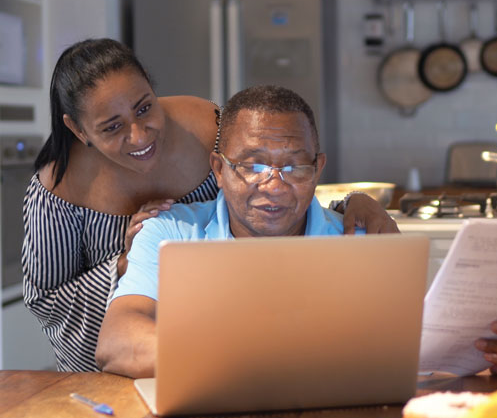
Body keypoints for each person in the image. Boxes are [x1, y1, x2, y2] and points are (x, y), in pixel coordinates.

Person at [22, 38, 396, 373]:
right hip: (120, 363)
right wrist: (126, 264)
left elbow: (278, 184)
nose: (138, 135)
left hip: (202, 355)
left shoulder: (209, 127)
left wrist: (353, 204)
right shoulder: (59, 190)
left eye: (143, 108)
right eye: (111, 127)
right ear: (79, 130)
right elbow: (47, 302)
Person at [96, 85, 372, 378]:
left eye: (294, 167)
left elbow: (397, 349)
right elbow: (117, 341)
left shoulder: (362, 243)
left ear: (317, 170)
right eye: (253, 165)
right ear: (218, 169)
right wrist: (254, 360)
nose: (274, 186)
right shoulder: (169, 234)